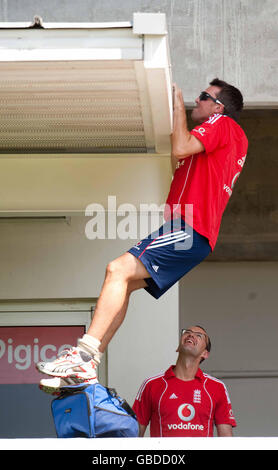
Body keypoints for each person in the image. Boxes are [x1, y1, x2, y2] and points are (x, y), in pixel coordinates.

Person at [37, 78, 248, 394]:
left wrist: (175, 105)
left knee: (116, 270)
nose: (196, 101)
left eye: (204, 97)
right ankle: (87, 366)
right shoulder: (227, 141)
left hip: (189, 227)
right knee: (124, 285)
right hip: (195, 234)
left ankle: (82, 357)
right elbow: (183, 155)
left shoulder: (224, 124)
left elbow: (179, 147)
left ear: (218, 107)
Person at [133, 325, 237, 437]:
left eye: (199, 336)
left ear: (205, 354)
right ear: (178, 348)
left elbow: (226, 438)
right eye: (187, 332)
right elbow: (134, 434)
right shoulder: (151, 384)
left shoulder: (217, 387)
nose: (191, 335)